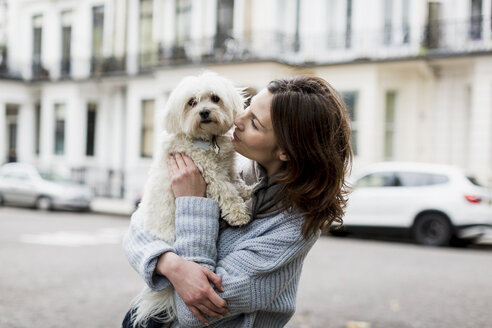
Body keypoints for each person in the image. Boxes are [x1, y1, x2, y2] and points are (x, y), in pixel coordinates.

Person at [122, 75, 353, 328]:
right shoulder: (240, 171)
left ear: (285, 151)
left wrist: (193, 203)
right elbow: (136, 231)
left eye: (254, 122)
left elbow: (192, 315)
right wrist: (170, 264)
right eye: (248, 107)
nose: (237, 119)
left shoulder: (291, 230)